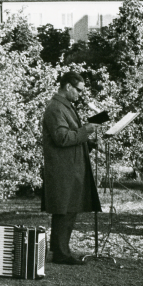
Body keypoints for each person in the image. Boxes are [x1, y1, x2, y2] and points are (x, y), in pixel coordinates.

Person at [41, 71, 101, 265]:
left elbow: (71, 135)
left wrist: (89, 143)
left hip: (70, 166)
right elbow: (62, 138)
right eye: (78, 90)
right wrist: (86, 130)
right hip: (63, 168)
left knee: (69, 209)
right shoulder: (56, 108)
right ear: (67, 86)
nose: (79, 94)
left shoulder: (65, 106)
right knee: (63, 210)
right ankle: (60, 253)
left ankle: (62, 251)